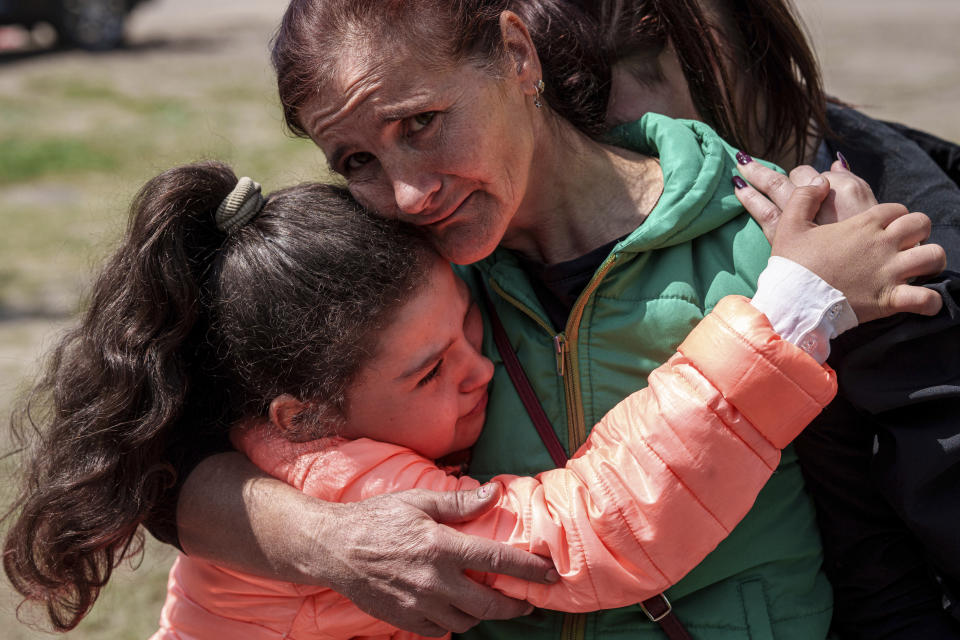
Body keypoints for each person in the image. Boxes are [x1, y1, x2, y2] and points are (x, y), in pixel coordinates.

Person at [149, 1, 948, 639]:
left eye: (420, 123)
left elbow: (870, 544)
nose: (407, 195)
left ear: (516, 55)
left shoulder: (777, 240)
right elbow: (176, 473)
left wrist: (801, 300)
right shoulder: (392, 281)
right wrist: (324, 540)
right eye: (357, 161)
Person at [3, 161, 891, 636]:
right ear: (301, 415)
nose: (483, 371)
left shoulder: (286, 427)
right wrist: (786, 315)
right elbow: (588, 533)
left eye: (473, 330)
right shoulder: (346, 484)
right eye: (430, 372)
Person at [564, 0, 960, 636]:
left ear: (749, 32)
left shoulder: (920, 232)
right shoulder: (515, 235)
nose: (640, 130)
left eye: (654, 42)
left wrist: (879, 331)